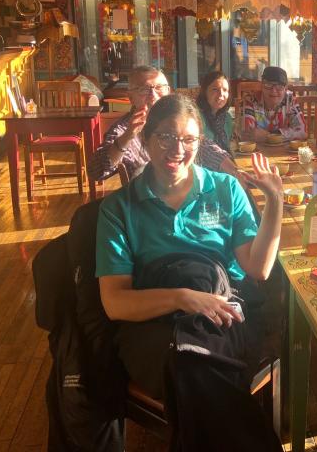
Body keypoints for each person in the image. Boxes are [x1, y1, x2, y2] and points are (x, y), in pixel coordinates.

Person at [95, 94, 283, 402]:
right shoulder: (119, 208)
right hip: (155, 321)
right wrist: (182, 298)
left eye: (189, 139)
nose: (178, 150)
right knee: (195, 370)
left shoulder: (225, 188)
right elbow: (115, 302)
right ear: (145, 139)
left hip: (221, 310)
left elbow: (258, 269)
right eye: (166, 137)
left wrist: (274, 201)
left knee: (194, 370)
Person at [88, 65, 236, 182]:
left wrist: (236, 172)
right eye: (144, 89)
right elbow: (96, 171)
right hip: (148, 202)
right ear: (131, 97)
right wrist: (128, 136)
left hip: (187, 193)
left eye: (159, 88)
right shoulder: (124, 129)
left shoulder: (179, 119)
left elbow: (205, 146)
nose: (153, 96)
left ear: (168, 92)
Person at [241, 66, 307, 143]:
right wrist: (285, 135)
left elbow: (303, 132)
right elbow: (247, 134)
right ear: (262, 86)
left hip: (283, 149)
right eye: (268, 85)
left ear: (285, 89)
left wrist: (269, 136)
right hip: (258, 149)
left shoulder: (290, 100)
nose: (273, 91)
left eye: (279, 86)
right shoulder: (251, 100)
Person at [196, 71, 233, 154]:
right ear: (204, 92)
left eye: (225, 90)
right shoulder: (196, 118)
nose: (221, 94)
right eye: (215, 89)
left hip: (226, 159)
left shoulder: (227, 118)